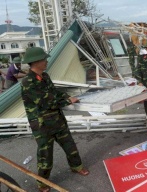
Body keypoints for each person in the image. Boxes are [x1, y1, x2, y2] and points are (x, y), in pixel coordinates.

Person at [20, 47, 89, 192]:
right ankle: (43, 183)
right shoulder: (27, 82)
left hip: (56, 119)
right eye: (44, 59)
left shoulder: (45, 76)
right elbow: (44, 102)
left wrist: (65, 96)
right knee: (46, 155)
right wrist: (68, 101)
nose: (46, 61)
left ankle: (77, 167)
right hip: (42, 125)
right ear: (35, 62)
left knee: (70, 145)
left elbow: (54, 92)